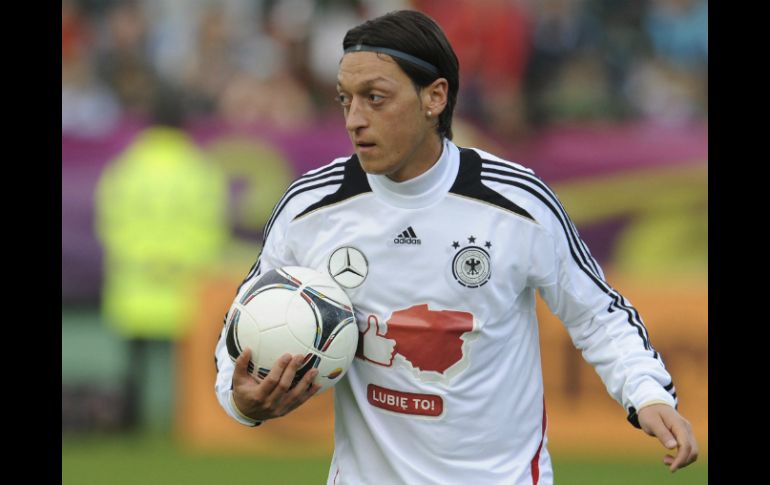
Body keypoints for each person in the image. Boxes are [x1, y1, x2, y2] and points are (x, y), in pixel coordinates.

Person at [214, 10, 698, 484]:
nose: (355, 119)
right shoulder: (310, 207)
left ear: (435, 97)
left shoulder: (516, 203)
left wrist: (648, 393)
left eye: (375, 98)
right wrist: (239, 400)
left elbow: (597, 313)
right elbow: (242, 321)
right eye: (345, 99)